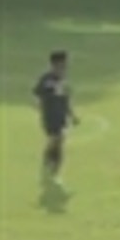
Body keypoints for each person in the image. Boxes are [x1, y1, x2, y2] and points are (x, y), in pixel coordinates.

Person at [33, 51, 78, 190]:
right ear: (54, 65)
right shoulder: (46, 79)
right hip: (50, 115)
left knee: (60, 142)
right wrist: (41, 106)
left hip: (61, 116)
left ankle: (54, 171)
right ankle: (47, 165)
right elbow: (37, 93)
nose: (64, 68)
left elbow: (66, 100)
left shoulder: (63, 80)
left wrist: (72, 115)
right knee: (55, 138)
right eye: (62, 65)